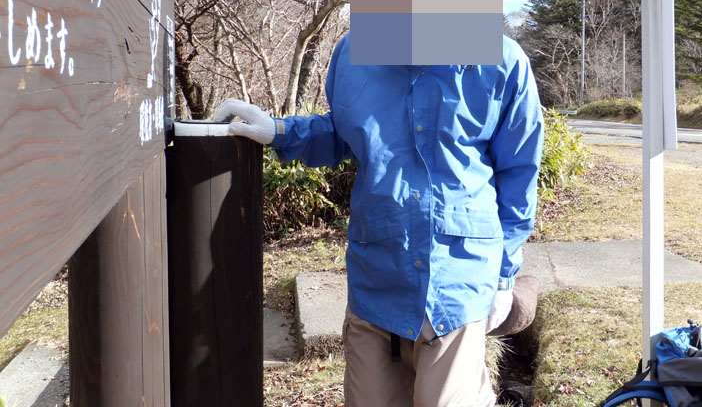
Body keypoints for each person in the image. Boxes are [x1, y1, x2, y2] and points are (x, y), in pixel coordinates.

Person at [213, 31, 544, 407]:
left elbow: (519, 174)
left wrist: (503, 278)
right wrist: (279, 132)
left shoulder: (501, 58)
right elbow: (342, 133)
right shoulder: (354, 51)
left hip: (459, 282)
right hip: (378, 282)